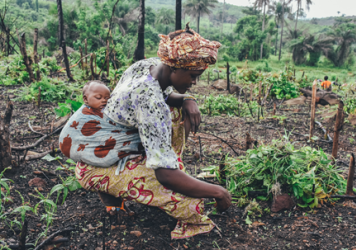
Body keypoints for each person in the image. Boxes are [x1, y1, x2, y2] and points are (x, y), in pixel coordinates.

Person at [68, 24, 232, 239]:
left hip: (108, 147)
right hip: (94, 167)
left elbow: (165, 96)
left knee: (174, 111)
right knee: (192, 203)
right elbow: (165, 175)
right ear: (174, 67)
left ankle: (125, 184)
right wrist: (218, 192)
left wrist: (187, 99)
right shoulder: (148, 101)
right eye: (193, 76)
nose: (194, 82)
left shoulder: (148, 66)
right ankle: (110, 187)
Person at [59, 80, 144, 171]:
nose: (104, 100)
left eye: (107, 98)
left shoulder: (109, 112)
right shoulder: (83, 116)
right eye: (98, 98)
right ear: (85, 99)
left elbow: (116, 129)